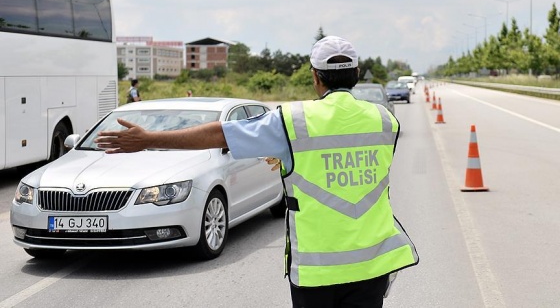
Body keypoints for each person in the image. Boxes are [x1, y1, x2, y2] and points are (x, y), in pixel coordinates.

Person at [95, 36, 419, 308]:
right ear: (357, 74)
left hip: (318, 272)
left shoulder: (293, 121)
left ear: (315, 77)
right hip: (374, 267)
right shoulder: (383, 120)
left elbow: (220, 133)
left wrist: (150, 139)